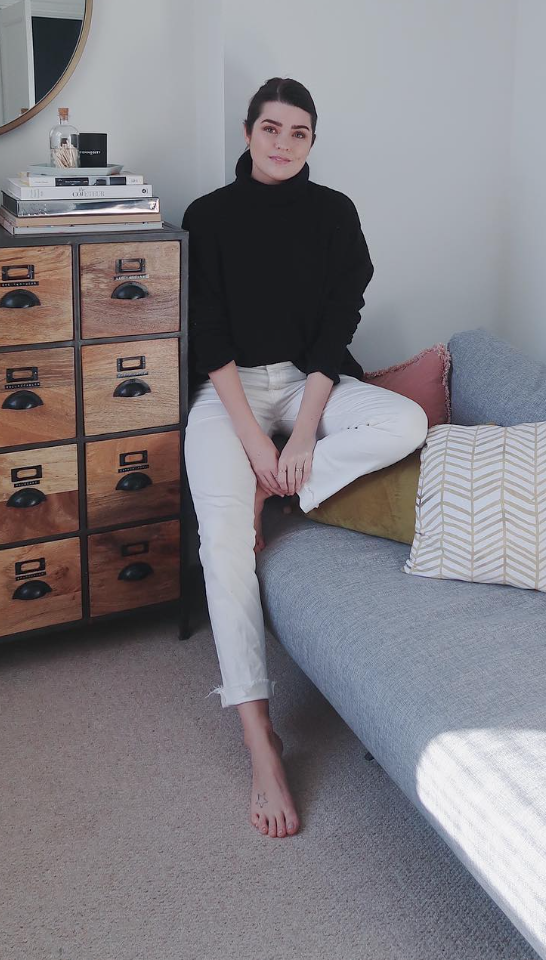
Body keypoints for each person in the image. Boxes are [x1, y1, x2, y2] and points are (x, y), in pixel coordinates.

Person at [181, 77, 428, 839]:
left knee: (405, 420)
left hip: (305, 384)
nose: (284, 143)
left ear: (312, 141)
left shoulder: (334, 213)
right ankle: (260, 738)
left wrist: (297, 438)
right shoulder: (207, 215)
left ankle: (283, 489)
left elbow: (335, 326)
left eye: (299, 132)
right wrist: (256, 441)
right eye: (271, 128)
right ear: (248, 132)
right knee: (223, 549)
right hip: (227, 394)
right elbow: (207, 331)